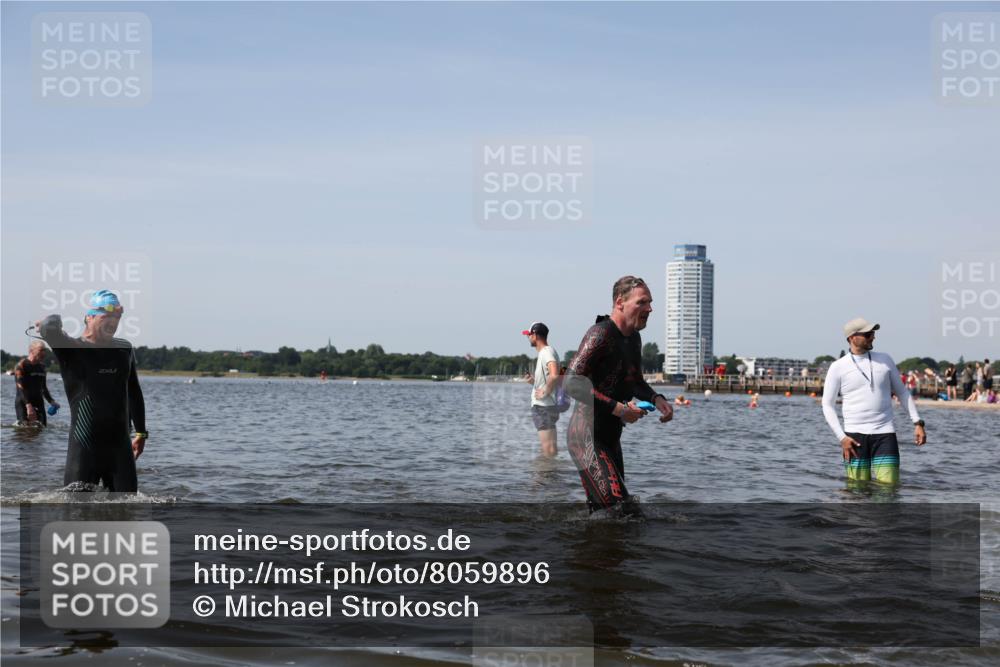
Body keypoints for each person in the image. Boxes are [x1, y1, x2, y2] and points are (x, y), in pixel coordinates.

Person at [563, 276, 673, 514]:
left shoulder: (634, 338)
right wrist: (619, 409)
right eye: (642, 302)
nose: (650, 309)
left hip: (611, 437)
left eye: (650, 303)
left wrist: (657, 398)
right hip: (586, 436)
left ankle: (588, 546)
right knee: (620, 511)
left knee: (616, 511)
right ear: (620, 302)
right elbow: (571, 382)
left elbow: (635, 381)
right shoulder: (600, 334)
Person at [36, 290, 148, 492]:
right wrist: (47, 322)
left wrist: (141, 432)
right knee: (77, 512)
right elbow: (49, 326)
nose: (113, 322)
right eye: (106, 316)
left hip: (120, 448)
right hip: (84, 447)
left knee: (127, 509)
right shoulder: (71, 348)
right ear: (89, 317)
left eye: (117, 317)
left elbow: (134, 391)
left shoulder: (124, 349)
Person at [821, 318, 925, 484]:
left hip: (885, 434)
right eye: (868, 334)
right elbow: (827, 405)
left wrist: (918, 422)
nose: (873, 337)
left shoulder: (885, 360)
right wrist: (842, 438)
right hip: (853, 438)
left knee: (888, 490)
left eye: (873, 333)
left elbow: (902, 393)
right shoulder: (838, 367)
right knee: (857, 492)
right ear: (852, 337)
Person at [523, 322, 560, 458]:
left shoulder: (546, 352)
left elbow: (554, 374)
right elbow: (551, 377)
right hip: (547, 406)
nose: (528, 338)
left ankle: (546, 477)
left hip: (543, 407)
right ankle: (547, 476)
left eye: (529, 335)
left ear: (535, 335)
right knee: (549, 449)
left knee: (549, 450)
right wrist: (534, 382)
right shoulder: (547, 352)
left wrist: (545, 391)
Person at [14, 341, 59, 426]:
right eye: (41, 350)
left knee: (42, 428)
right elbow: (20, 388)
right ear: (31, 350)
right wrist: (28, 405)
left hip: (38, 402)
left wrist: (51, 401)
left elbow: (43, 387)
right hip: (23, 402)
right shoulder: (21, 365)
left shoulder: (42, 367)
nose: (43, 353)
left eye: (44, 350)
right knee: (24, 431)